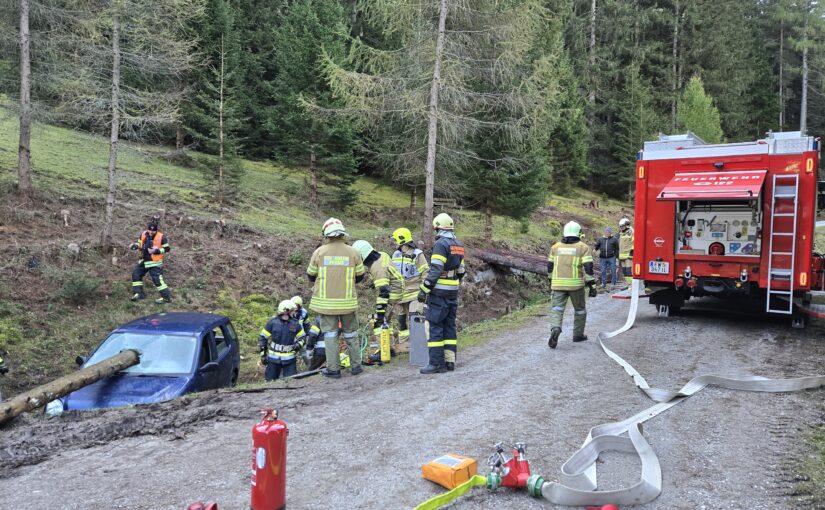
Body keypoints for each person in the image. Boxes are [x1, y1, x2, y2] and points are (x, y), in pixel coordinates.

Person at [306, 218, 366, 378]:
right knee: (351, 334)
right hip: (347, 303)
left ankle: (334, 369)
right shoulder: (353, 252)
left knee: (330, 335)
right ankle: (356, 366)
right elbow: (360, 276)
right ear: (342, 233)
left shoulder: (319, 252)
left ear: (326, 234)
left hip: (326, 305)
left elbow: (311, 275)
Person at [417, 213, 466, 374]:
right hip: (453, 292)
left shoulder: (440, 244)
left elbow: (436, 269)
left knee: (434, 325)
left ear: (437, 227)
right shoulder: (458, 244)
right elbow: (461, 271)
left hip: (439, 293)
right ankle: (450, 361)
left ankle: (437, 364)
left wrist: (424, 289)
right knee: (449, 325)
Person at [352, 240, 405, 363]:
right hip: (396, 292)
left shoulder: (377, 268)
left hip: (391, 295)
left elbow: (384, 292)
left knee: (377, 321)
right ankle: (390, 348)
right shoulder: (381, 255)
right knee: (387, 322)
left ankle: (383, 351)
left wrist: (380, 313)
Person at [547, 221, 596, 348]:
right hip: (576, 285)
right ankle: (578, 335)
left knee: (556, 309)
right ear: (578, 233)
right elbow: (588, 267)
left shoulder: (555, 247)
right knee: (580, 310)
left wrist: (550, 281)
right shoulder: (582, 247)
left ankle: (555, 328)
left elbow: (550, 266)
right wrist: (592, 286)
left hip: (557, 284)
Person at [391, 227, 429, 352]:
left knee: (415, 316)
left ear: (402, 240)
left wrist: (424, 291)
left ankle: (420, 345)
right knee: (401, 320)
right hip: (401, 295)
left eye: (396, 240)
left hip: (415, 293)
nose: (394, 242)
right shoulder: (396, 254)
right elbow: (392, 273)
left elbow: (425, 273)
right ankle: (405, 346)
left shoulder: (418, 254)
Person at [258, 300, 307, 381]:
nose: (294, 312)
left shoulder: (295, 324)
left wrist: (298, 345)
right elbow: (263, 338)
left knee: (291, 382)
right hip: (273, 360)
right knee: (270, 382)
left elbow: (303, 338)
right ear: (286, 311)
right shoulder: (272, 323)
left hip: (290, 360)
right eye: (293, 310)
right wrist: (263, 355)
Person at [129, 215, 172, 304]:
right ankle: (139, 294)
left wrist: (156, 251)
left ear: (156, 230)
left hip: (155, 263)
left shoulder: (161, 237)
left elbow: (167, 249)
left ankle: (166, 298)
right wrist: (135, 246)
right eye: (150, 230)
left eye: (153, 230)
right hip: (144, 261)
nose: (151, 232)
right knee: (136, 274)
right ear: (147, 229)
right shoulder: (143, 234)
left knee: (157, 280)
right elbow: (139, 243)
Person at [618, 218, 635, 286]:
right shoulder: (621, 233)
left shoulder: (631, 232)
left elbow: (635, 242)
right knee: (625, 272)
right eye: (620, 226)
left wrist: (632, 250)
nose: (621, 227)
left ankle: (632, 285)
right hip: (622, 256)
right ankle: (628, 285)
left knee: (628, 271)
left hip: (628, 255)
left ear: (627, 225)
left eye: (622, 226)